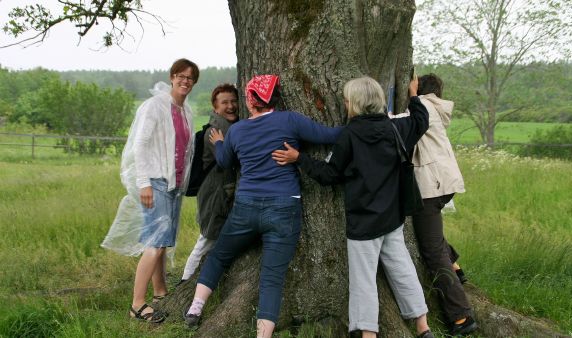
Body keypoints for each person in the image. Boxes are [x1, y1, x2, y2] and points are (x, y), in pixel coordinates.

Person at [272, 76, 434, 338]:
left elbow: (329, 174)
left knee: (363, 281)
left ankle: (368, 333)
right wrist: (414, 97)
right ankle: (422, 325)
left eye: (346, 100)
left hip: (364, 221)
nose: (345, 104)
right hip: (392, 215)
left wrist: (298, 158)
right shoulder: (396, 128)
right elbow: (421, 121)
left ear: (355, 104)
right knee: (402, 268)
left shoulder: (350, 135)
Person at [183, 74, 343, 337]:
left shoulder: (237, 130)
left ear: (250, 100)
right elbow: (328, 135)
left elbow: (223, 161)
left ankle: (195, 309)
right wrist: (365, 124)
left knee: (220, 255)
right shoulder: (290, 120)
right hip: (283, 207)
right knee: (272, 277)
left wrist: (220, 142)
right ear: (274, 99)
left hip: (246, 206)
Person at [109, 58, 199, 323]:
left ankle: (160, 293)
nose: (185, 81)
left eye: (190, 78)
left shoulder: (186, 112)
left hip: (174, 185)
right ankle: (137, 304)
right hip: (156, 182)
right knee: (155, 244)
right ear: (172, 77)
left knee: (163, 243)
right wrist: (144, 182)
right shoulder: (155, 106)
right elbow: (140, 145)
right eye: (181, 76)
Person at [410, 73, 477, 335]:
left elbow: (400, 124)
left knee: (432, 251)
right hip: (442, 184)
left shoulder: (422, 106)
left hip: (431, 186)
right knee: (434, 237)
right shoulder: (434, 106)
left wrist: (412, 96)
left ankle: (461, 316)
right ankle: (456, 266)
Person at [181, 83, 239, 282]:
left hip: (223, 194)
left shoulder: (230, 127)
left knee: (214, 240)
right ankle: (185, 281)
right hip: (215, 197)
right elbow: (231, 159)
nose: (230, 106)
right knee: (206, 240)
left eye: (233, 101)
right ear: (215, 107)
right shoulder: (216, 132)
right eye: (224, 103)